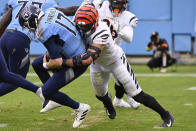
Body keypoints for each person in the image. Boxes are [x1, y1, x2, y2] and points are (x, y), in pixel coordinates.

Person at [61, 4, 174, 127]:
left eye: (86, 26)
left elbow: (88, 57)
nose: (82, 29)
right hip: (98, 64)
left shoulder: (102, 31)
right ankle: (109, 106)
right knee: (100, 94)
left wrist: (63, 61)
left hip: (115, 61)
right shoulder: (90, 16)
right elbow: (77, 10)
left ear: (94, 22)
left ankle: (166, 115)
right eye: (80, 25)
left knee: (136, 94)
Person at [19, 5, 91, 128]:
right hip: (74, 48)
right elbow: (59, 36)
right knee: (36, 64)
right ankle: (54, 98)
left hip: (76, 62)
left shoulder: (43, 30)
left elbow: (57, 62)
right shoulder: (50, 11)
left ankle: (80, 108)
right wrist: (48, 55)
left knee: (46, 90)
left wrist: (46, 64)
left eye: (27, 25)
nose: (28, 28)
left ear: (32, 20)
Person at [0, 0, 57, 96]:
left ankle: (52, 97)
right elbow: (63, 13)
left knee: (4, 76)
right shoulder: (48, 3)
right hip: (19, 40)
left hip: (6, 36)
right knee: (16, 80)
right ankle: (50, 96)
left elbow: (5, 19)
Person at [95, 0, 140, 109]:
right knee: (101, 82)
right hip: (98, 47)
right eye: (116, 3)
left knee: (121, 78)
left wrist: (119, 28)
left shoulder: (128, 17)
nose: (117, 7)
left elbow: (129, 38)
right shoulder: (102, 6)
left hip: (114, 49)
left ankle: (121, 99)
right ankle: (123, 98)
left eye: (120, 4)